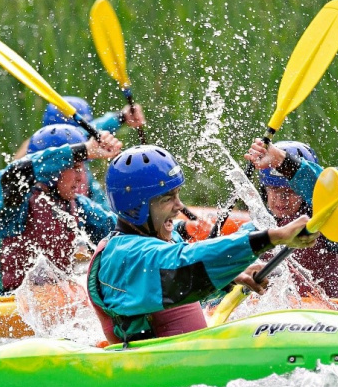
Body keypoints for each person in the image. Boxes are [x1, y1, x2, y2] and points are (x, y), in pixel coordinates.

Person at [87, 145, 318, 344]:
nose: (179, 206)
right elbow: (184, 264)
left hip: (185, 356)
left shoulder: (159, 239)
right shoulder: (123, 256)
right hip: (151, 371)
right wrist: (271, 237)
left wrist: (232, 277)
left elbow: (179, 294)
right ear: (136, 207)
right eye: (168, 198)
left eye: (177, 195)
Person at [0, 124, 122, 295]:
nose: (81, 177)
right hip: (7, 300)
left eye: (82, 168)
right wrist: (84, 149)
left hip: (57, 302)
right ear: (51, 171)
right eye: (75, 167)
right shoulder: (13, 200)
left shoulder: (78, 206)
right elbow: (14, 172)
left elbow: (117, 230)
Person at [243, 139, 338, 299]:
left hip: (334, 309)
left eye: (290, 192)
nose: (280, 199)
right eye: (273, 190)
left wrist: (284, 162)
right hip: (281, 313)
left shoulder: (326, 219)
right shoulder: (260, 225)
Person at [13, 96, 146, 207]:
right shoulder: (31, 163)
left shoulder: (83, 186)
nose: (79, 174)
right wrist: (119, 118)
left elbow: (108, 216)